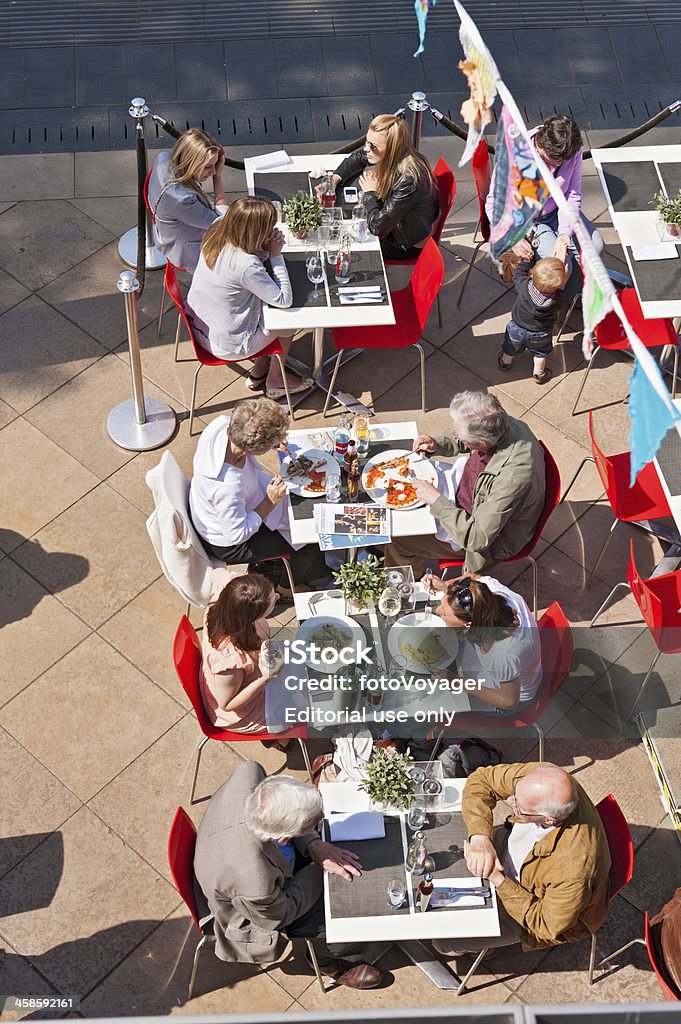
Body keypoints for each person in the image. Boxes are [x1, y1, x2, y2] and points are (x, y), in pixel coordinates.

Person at [193, 760, 387, 988]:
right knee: (340, 906)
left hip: (237, 860)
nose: (320, 820)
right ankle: (327, 962)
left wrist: (313, 843)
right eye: (313, 823)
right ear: (284, 837)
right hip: (260, 913)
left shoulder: (250, 772)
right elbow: (282, 914)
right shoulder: (256, 882)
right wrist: (320, 867)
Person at [433, 762, 611, 956]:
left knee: (443, 941)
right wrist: (480, 838)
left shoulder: (573, 870)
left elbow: (545, 924)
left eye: (519, 807)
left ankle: (485, 949)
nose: (510, 801)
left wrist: (497, 879)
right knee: (439, 854)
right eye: (516, 795)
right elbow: (481, 779)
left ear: (548, 819)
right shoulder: (544, 778)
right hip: (507, 850)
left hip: (526, 899)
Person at [384, 391, 546, 576]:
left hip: (481, 534)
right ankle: (384, 553)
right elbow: (468, 436)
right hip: (467, 491)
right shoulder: (500, 422)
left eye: (458, 433)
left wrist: (436, 500)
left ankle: (405, 590)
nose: (453, 432)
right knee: (397, 511)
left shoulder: (512, 479)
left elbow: (477, 538)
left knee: (400, 542)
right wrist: (438, 443)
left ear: (482, 442)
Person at [189, 399, 329, 596]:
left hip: (220, 507)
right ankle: (287, 587)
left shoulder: (222, 425)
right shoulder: (228, 486)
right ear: (256, 447)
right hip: (228, 541)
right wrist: (269, 502)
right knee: (306, 536)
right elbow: (236, 535)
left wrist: (271, 441)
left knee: (296, 510)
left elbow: (248, 432)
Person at [186, 195, 312, 398]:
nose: (272, 230)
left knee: (264, 306)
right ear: (256, 232)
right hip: (227, 344)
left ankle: (260, 367)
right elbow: (283, 299)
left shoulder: (217, 228)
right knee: (287, 320)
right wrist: (276, 254)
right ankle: (276, 379)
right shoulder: (245, 265)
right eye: (268, 228)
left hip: (200, 326)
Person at [485, 114, 603, 302]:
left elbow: (572, 194)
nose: (552, 169)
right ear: (539, 143)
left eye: (559, 164)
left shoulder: (571, 151)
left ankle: (572, 298)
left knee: (595, 246)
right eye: (547, 161)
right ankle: (539, 306)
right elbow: (494, 203)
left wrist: (564, 235)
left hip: (558, 211)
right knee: (561, 267)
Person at [318, 114, 439, 261]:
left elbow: (377, 229)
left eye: (373, 146)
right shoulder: (399, 154)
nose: (366, 148)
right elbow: (358, 158)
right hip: (396, 224)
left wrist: (370, 193)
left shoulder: (409, 180)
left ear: (392, 149)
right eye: (366, 142)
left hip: (401, 245)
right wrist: (334, 179)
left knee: (339, 239)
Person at [424, 572, 542, 713]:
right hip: (511, 668)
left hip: (509, 696)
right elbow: (474, 578)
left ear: (468, 624)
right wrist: (445, 585)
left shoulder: (503, 655)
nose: (437, 611)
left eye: (444, 612)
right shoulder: (488, 594)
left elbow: (509, 702)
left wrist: (457, 682)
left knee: (436, 704)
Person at [200, 567, 281, 732]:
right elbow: (227, 705)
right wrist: (265, 679)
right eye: (272, 603)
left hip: (244, 676)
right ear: (251, 616)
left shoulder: (228, 597)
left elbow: (218, 573)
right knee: (310, 705)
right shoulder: (231, 661)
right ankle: (282, 739)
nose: (278, 597)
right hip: (241, 713)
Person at [147, 127, 228, 272]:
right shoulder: (182, 200)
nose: (214, 171)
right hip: (188, 251)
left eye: (215, 165)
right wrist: (218, 178)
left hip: (169, 228)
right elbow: (221, 224)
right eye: (208, 167)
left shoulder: (163, 158)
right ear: (190, 162)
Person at [498, 255, 565, 385]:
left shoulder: (524, 286)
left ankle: (505, 362)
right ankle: (539, 373)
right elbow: (561, 305)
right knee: (540, 353)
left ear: (533, 275)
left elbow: (518, 274)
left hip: (516, 327)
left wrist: (525, 261)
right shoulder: (557, 299)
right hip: (540, 332)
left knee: (510, 346)